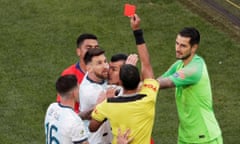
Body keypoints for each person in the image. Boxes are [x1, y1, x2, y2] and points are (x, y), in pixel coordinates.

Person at [89, 14, 160, 144]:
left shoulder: (108, 104)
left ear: (120, 82)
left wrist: (100, 104)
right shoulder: (149, 96)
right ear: (139, 79)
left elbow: (92, 127)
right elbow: (146, 64)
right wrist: (137, 31)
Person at [157, 27, 223, 143]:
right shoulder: (179, 64)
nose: (177, 49)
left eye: (183, 46)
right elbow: (156, 82)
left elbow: (166, 82)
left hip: (205, 138)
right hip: (185, 137)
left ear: (194, 47)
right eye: (177, 43)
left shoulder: (194, 69)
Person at [56, 33, 99, 113]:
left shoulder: (105, 71)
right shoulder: (69, 74)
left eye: (96, 47)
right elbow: (63, 106)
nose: (93, 51)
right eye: (88, 48)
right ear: (79, 51)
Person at [79, 48, 112, 144]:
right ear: (89, 68)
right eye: (99, 63)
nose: (106, 66)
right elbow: (120, 95)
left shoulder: (96, 76)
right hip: (98, 140)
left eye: (105, 61)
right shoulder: (90, 91)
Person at [45, 75, 89, 144]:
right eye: (78, 88)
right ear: (74, 92)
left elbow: (64, 121)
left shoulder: (51, 108)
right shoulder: (75, 122)